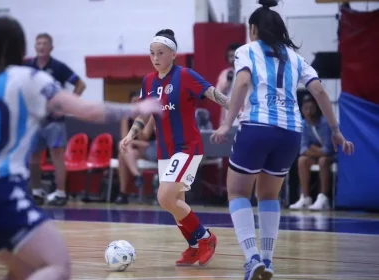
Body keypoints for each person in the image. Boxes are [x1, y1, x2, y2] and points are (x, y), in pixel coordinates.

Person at [0, 17, 161, 280]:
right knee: (57, 267)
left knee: (26, 269)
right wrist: (136, 108)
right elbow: (87, 110)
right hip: (0, 191)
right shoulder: (29, 78)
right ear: (23, 49)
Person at [210, 1, 354, 280]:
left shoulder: (247, 50)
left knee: (238, 193)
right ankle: (268, 260)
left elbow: (240, 84)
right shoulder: (296, 58)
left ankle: (252, 259)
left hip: (256, 127)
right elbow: (321, 93)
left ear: (253, 29)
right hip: (290, 132)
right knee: (268, 195)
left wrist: (227, 123)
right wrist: (336, 130)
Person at [120, 29, 230, 267]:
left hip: (187, 148)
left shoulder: (186, 75)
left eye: (160, 53)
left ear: (173, 54)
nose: (155, 58)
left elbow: (212, 93)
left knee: (164, 196)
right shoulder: (148, 81)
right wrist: (131, 134)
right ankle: (192, 247)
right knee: (174, 203)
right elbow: (145, 114)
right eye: (152, 53)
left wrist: (236, 106)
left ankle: (205, 237)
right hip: (165, 151)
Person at [25, 33, 86, 207]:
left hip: (54, 120)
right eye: (39, 43)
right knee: (33, 158)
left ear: (51, 48)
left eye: (45, 43)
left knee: (57, 156)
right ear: (35, 47)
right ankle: (36, 191)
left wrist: (67, 106)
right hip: (35, 119)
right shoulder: (28, 66)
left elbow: (80, 84)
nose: (42, 46)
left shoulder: (58, 67)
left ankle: (60, 193)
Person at [290, 94, 336, 211]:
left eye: (311, 108)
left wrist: (313, 149)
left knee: (323, 160)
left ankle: (324, 198)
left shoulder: (325, 123)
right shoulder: (304, 124)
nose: (309, 111)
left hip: (333, 156)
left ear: (317, 108)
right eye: (306, 108)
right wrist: (315, 150)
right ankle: (306, 198)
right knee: (302, 160)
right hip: (317, 155)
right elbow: (303, 149)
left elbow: (328, 150)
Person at [115, 92, 158, 204]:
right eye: (133, 102)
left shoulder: (149, 116)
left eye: (138, 102)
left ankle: (123, 193)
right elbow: (125, 138)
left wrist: (137, 123)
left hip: (148, 148)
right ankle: (137, 175)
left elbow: (145, 140)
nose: (136, 104)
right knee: (122, 153)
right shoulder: (125, 116)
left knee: (122, 154)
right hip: (133, 148)